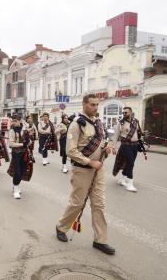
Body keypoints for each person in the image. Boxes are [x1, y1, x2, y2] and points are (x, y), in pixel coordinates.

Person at [55, 94, 116, 255]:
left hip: (98, 170)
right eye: (92, 105)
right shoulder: (77, 124)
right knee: (77, 203)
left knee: (99, 204)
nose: (95, 108)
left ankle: (100, 240)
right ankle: (61, 227)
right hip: (82, 170)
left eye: (97, 105)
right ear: (84, 105)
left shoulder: (98, 123)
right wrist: (89, 162)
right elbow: (70, 150)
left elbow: (101, 142)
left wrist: (107, 148)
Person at [111, 107, 141, 192]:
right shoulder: (120, 123)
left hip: (135, 145)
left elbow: (138, 133)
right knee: (131, 163)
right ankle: (130, 184)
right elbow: (116, 136)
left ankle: (122, 180)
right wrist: (114, 147)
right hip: (125, 145)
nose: (124, 114)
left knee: (129, 163)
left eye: (126, 112)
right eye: (123, 113)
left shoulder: (136, 122)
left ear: (131, 113)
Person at [7, 114, 34, 199]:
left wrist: (28, 141)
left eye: (15, 121)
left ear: (20, 121)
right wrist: (23, 144)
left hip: (25, 154)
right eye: (12, 121)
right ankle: (15, 190)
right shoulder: (12, 131)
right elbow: (11, 144)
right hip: (16, 154)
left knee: (22, 171)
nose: (13, 122)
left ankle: (17, 186)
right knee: (17, 172)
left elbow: (29, 142)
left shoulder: (24, 130)